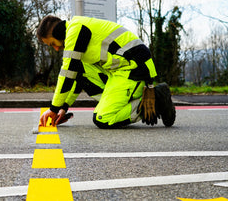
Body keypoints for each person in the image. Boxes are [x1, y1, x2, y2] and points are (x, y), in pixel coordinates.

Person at [37, 15, 176, 128]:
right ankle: (131, 101)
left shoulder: (76, 30)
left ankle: (157, 99)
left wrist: (54, 108)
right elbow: (76, 76)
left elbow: (67, 73)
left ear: (58, 33)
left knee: (102, 118)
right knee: (79, 69)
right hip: (121, 70)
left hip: (134, 69)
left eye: (52, 44)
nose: (55, 49)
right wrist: (63, 107)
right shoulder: (77, 29)